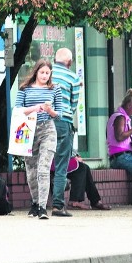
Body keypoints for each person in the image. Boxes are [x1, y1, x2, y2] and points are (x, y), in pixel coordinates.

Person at [15, 59, 63, 220]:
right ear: (36, 72)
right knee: (31, 171)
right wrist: (35, 108)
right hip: (28, 129)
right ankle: (35, 203)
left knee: (43, 168)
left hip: (47, 129)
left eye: (47, 73)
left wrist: (50, 110)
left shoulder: (55, 89)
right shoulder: (24, 89)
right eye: (41, 72)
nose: (44, 75)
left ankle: (43, 207)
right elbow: (18, 110)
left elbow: (60, 114)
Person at [51, 48, 81, 217]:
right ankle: (57, 206)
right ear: (69, 63)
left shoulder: (45, 73)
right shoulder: (73, 78)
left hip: (43, 121)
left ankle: (38, 205)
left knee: (41, 164)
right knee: (61, 166)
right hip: (63, 122)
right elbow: (73, 105)